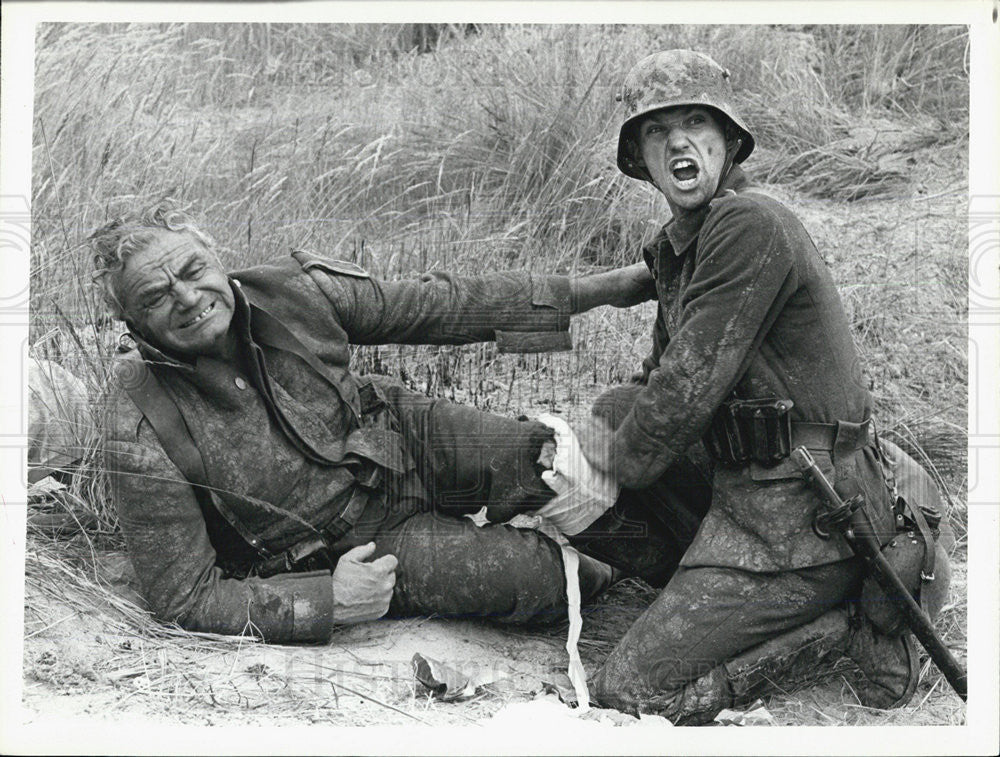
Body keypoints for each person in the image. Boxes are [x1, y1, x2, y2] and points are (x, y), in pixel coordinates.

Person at [560, 50, 953, 723]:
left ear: (727, 139)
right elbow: (656, 385)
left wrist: (591, 456)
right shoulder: (687, 245)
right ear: (642, 158)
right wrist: (590, 430)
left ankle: (832, 635)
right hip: (753, 489)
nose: (678, 141)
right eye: (657, 131)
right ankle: (727, 595)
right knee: (614, 410)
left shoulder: (748, 226)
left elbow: (678, 399)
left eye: (694, 122)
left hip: (808, 515)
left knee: (630, 688)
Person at [93, 202, 666, 642]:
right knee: (539, 581)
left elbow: (441, 306)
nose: (189, 297)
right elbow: (183, 599)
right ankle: (610, 573)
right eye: (156, 296)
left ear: (219, 260)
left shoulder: (294, 290)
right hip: (350, 545)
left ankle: (681, 560)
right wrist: (328, 600)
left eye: (195, 271)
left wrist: (601, 291)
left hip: (402, 435)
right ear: (129, 321)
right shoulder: (138, 418)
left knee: (548, 463)